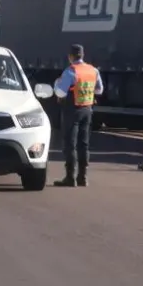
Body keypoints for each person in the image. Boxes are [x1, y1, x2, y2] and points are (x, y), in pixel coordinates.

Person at [52, 44, 103, 188]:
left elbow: (61, 93)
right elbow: (99, 90)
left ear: (70, 57)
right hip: (87, 109)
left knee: (70, 144)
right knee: (83, 144)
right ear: (83, 55)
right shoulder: (93, 70)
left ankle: (70, 178)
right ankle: (83, 178)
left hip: (72, 110)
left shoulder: (70, 71)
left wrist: (57, 84)